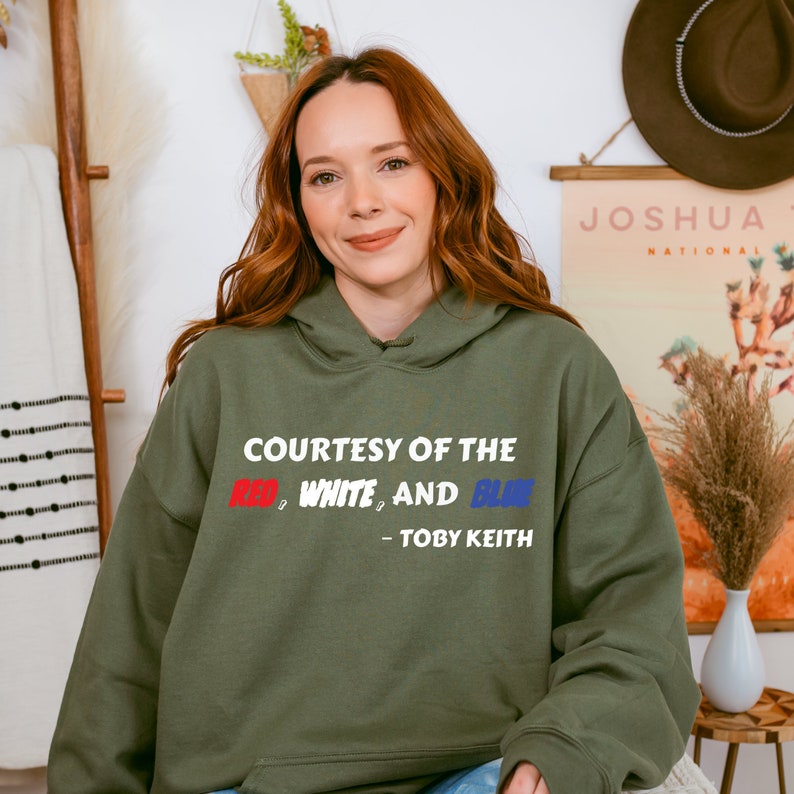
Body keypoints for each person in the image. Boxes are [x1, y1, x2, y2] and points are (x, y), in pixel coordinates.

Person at [47, 47, 701, 794]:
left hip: (479, 775)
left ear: (442, 172)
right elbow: (127, 636)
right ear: (298, 201)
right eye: (326, 175)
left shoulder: (556, 370)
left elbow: (634, 624)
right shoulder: (225, 377)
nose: (362, 201)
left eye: (392, 163)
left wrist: (555, 761)